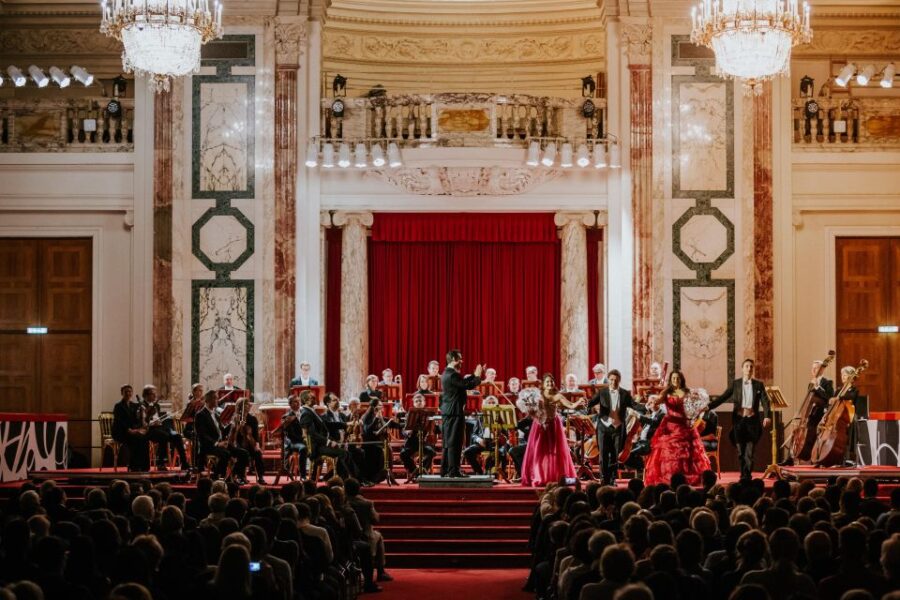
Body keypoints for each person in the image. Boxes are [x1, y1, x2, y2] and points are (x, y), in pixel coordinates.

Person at [643, 370, 712, 486]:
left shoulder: (688, 392)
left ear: (681, 379)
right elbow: (657, 402)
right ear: (671, 380)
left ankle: (686, 479)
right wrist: (653, 403)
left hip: (685, 425)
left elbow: (696, 405)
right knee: (669, 454)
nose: (676, 380)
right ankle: (671, 479)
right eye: (673, 378)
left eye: (678, 378)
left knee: (689, 453)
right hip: (670, 426)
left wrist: (701, 408)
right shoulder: (666, 392)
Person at [707, 358, 771, 481]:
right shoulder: (736, 384)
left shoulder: (759, 385)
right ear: (742, 369)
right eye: (747, 366)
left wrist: (767, 416)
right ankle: (743, 476)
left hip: (752, 422)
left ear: (753, 369)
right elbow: (723, 397)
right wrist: (709, 406)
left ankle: (747, 477)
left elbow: (765, 401)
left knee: (749, 452)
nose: (749, 368)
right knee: (741, 452)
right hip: (738, 422)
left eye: (751, 366)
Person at [520, 374, 580, 487]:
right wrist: (530, 409)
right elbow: (532, 410)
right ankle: (538, 476)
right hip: (539, 425)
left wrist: (579, 401)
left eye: (551, 381)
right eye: (547, 381)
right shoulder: (538, 395)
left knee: (555, 451)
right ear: (543, 384)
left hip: (553, 425)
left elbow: (571, 405)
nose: (550, 383)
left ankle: (555, 476)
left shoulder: (557, 395)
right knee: (538, 451)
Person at [588, 369, 645, 486]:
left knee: (615, 454)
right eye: (611, 379)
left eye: (616, 380)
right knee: (603, 454)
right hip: (603, 427)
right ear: (608, 380)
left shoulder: (625, 393)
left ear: (619, 381)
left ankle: (612, 479)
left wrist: (646, 407)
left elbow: (634, 405)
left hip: (618, 428)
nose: (613, 382)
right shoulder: (602, 392)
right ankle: (604, 478)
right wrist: (585, 405)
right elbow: (591, 402)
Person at [781, 359, 835, 466]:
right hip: (810, 415)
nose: (813, 370)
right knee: (796, 432)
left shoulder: (827, 382)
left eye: (816, 368)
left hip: (820, 415)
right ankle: (790, 459)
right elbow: (809, 399)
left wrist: (817, 387)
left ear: (822, 369)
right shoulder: (811, 383)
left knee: (811, 435)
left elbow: (828, 398)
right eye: (812, 368)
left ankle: (814, 459)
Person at [440, 349, 483, 478]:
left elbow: (463, 382)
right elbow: (467, 385)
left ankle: (445, 470)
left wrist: (474, 376)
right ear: (454, 359)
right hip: (454, 412)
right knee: (455, 442)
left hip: (449, 412)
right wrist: (477, 377)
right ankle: (454, 471)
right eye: (460, 359)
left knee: (448, 442)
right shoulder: (452, 374)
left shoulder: (447, 373)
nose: (462, 361)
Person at [195, 390, 249, 482]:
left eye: (217, 398)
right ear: (208, 400)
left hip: (220, 445)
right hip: (208, 446)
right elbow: (202, 435)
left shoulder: (216, 414)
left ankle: (233, 476)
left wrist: (233, 424)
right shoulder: (200, 415)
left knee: (244, 453)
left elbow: (222, 431)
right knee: (226, 454)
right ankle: (217, 476)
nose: (217, 400)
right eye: (215, 398)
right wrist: (217, 443)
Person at [141, 384, 190, 470]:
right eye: (153, 394)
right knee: (164, 436)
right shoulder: (142, 405)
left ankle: (184, 463)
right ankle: (160, 463)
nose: (155, 396)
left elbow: (159, 418)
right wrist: (152, 423)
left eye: (155, 393)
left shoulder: (156, 405)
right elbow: (142, 422)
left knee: (177, 436)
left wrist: (161, 420)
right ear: (146, 395)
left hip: (160, 428)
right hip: (150, 430)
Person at [463, 396, 509, 476]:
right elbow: (473, 435)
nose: (491, 405)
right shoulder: (481, 417)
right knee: (467, 452)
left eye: (493, 403)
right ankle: (479, 472)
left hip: (497, 443)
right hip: (483, 442)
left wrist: (501, 436)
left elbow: (506, 434)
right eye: (489, 403)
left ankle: (491, 472)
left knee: (496, 454)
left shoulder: (501, 417)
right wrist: (479, 440)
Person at [111, 384, 150, 471]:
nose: (128, 393)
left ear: (132, 393)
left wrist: (141, 414)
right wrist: (129, 430)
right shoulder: (118, 406)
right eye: (126, 391)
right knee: (135, 439)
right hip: (120, 432)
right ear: (122, 393)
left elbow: (136, 420)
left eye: (130, 391)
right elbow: (119, 421)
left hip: (132, 430)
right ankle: (133, 466)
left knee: (144, 438)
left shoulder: (134, 405)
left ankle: (144, 466)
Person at [398, 393, 436, 477]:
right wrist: (407, 432)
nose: (419, 402)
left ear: (424, 402)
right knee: (403, 454)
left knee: (431, 452)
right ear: (414, 403)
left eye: (420, 401)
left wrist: (432, 427)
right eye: (416, 401)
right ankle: (414, 471)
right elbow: (403, 431)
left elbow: (436, 430)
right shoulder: (409, 415)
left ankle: (423, 470)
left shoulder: (429, 415)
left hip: (423, 442)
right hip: (411, 443)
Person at [280, 395, 308, 479]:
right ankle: (303, 476)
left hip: (305, 440)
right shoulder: (286, 417)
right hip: (294, 442)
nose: (298, 403)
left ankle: (314, 474)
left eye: (299, 401)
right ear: (290, 404)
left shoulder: (305, 413)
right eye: (295, 401)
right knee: (303, 448)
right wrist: (303, 439)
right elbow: (290, 435)